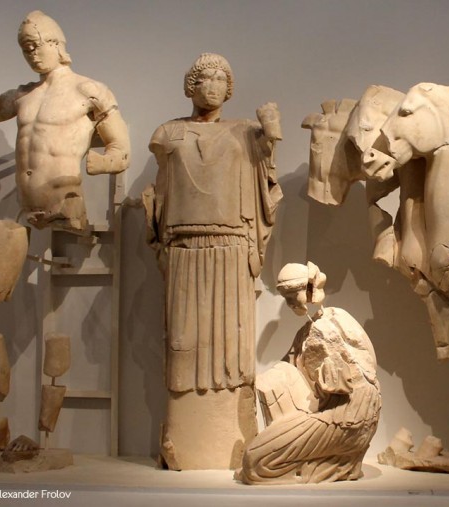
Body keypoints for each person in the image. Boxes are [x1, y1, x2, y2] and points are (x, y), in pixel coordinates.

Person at [143, 53, 283, 470]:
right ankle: (184, 440)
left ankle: (229, 438)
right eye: (206, 79)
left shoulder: (246, 132)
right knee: (182, 338)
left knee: (231, 340)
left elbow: (265, 182)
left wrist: (271, 137)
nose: (214, 86)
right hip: (185, 245)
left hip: (232, 244)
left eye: (222, 79)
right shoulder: (168, 133)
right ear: (191, 86)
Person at [0, 10, 130, 231]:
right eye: (26, 49)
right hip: (26, 205)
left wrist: (103, 162)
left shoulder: (89, 90)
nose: (32, 54)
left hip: (65, 201)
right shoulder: (23, 95)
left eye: (35, 46)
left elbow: (121, 149)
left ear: (56, 44)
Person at [237, 262, 381, 484]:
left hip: (349, 415)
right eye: (286, 298)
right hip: (321, 412)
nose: (290, 303)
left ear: (310, 289)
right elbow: (286, 366)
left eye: (293, 295)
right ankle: (314, 464)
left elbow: (368, 367)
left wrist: (337, 379)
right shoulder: (304, 333)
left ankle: (326, 465)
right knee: (254, 457)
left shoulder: (338, 320)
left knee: (255, 460)